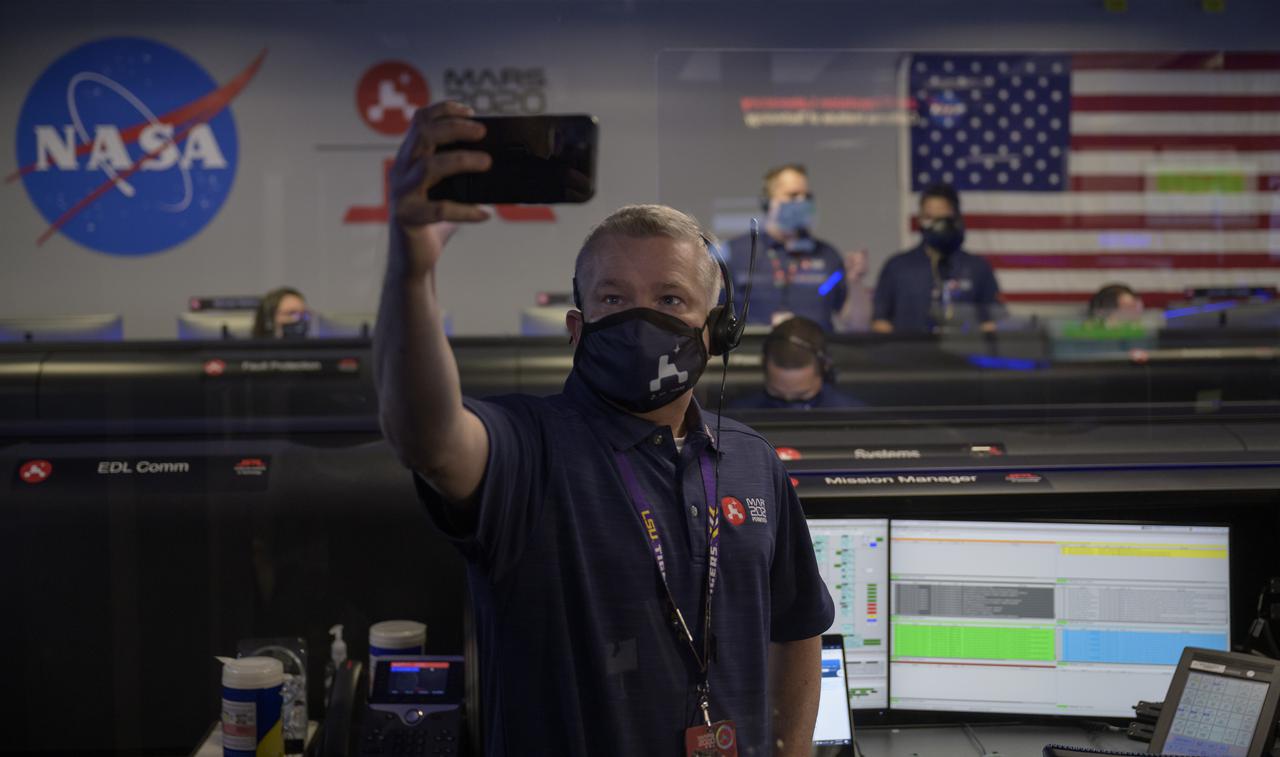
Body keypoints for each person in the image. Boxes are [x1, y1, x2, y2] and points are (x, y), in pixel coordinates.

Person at [374, 102, 833, 757]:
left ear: (717, 333)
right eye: (614, 299)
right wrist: (411, 270)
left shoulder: (753, 462)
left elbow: (798, 626)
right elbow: (426, 436)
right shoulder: (527, 449)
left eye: (671, 299)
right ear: (576, 327)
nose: (641, 318)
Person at [726, 164, 856, 333]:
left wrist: (855, 282)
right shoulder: (737, 253)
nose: (802, 202)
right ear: (767, 202)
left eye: (807, 196)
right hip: (754, 354)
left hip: (815, 355)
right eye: (793, 195)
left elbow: (854, 322)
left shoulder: (828, 256)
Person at [871, 183, 1001, 334]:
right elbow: (880, 321)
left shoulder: (977, 267)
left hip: (964, 355)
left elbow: (994, 321)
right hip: (910, 355)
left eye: (941, 218)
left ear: (955, 218)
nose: (935, 225)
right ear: (919, 219)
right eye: (928, 218)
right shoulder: (897, 267)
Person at [731, 317, 862, 410]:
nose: (789, 407)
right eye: (776, 395)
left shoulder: (855, 417)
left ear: (825, 367)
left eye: (802, 397)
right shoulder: (737, 417)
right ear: (763, 365)